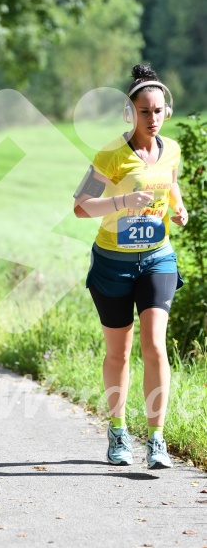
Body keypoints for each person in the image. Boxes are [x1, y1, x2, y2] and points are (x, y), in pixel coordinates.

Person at [73, 64, 188, 469]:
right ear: (130, 113)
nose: (152, 119)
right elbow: (80, 207)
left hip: (157, 257)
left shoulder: (170, 148)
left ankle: (156, 438)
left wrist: (178, 208)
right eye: (144, 112)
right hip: (113, 263)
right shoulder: (111, 155)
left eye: (158, 111)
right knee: (118, 354)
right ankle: (118, 430)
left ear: (166, 112)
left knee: (155, 345)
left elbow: (169, 180)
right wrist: (122, 202)